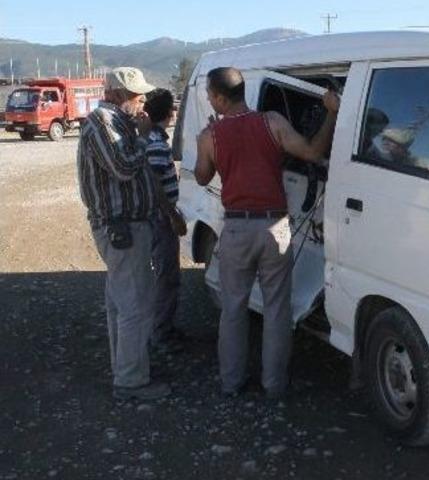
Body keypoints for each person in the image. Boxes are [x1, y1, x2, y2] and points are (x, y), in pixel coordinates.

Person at [194, 67, 340, 399]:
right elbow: (314, 152)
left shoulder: (210, 136)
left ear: (218, 97)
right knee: (277, 309)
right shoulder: (272, 122)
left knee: (233, 308)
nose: (207, 99)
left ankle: (231, 384)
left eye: (208, 94)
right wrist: (331, 114)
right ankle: (274, 385)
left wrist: (205, 145)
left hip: (236, 228)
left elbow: (202, 178)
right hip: (275, 228)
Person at [77, 67, 170, 400]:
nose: (141, 100)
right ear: (116, 95)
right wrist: (143, 136)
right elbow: (124, 167)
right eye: (135, 95)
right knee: (134, 305)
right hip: (122, 227)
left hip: (127, 226)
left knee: (122, 302)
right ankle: (131, 380)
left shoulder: (118, 121)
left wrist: (137, 129)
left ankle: (129, 367)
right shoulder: (103, 122)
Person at [143, 88, 187, 354]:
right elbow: (157, 186)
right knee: (167, 276)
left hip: (157, 218)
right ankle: (161, 333)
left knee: (163, 274)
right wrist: (174, 215)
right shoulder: (158, 145)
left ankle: (161, 329)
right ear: (170, 113)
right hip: (162, 219)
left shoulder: (151, 139)